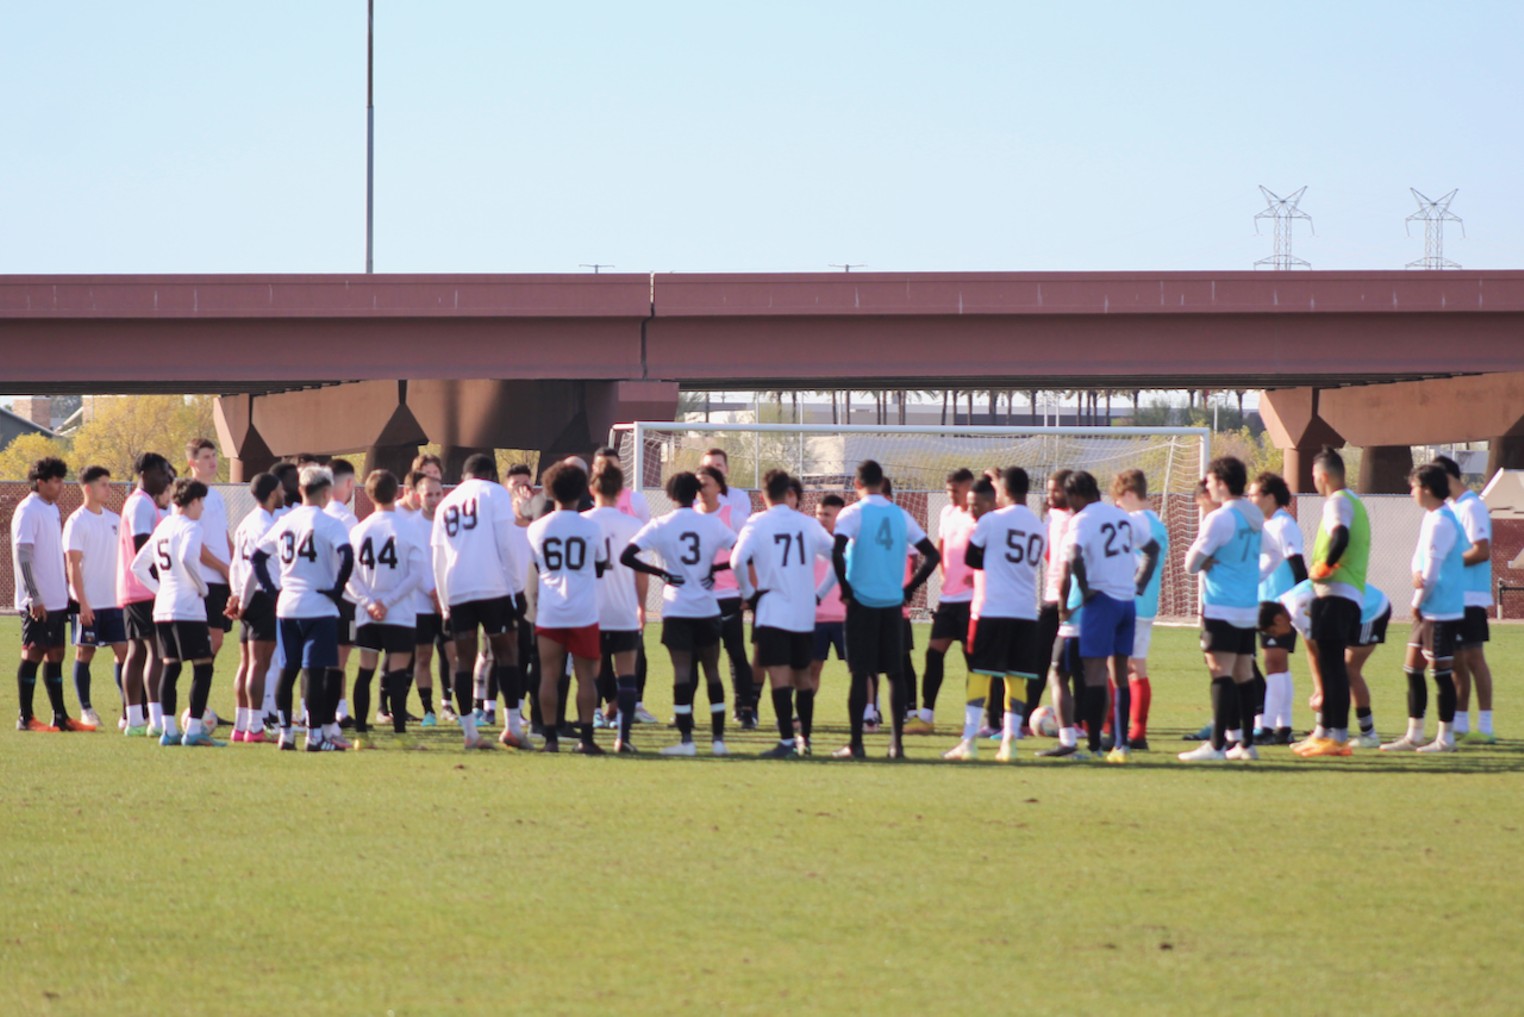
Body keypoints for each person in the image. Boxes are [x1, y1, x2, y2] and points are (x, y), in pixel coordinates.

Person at [621, 471, 737, 757]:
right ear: (696, 493)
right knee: (712, 671)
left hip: (677, 608)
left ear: (670, 495)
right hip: (707, 608)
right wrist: (715, 570)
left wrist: (662, 573)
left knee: (682, 672)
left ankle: (687, 741)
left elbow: (627, 556)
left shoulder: (660, 525)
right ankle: (719, 741)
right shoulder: (711, 524)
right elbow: (741, 552)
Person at [830, 459, 940, 760]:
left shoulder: (852, 513)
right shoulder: (900, 514)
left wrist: (845, 587)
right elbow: (932, 555)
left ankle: (857, 744)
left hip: (862, 603)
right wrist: (909, 589)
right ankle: (897, 745)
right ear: (882, 482)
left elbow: (836, 549)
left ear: (857, 485)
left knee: (859, 673)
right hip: (892, 604)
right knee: (895, 673)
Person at [247, 465, 355, 752]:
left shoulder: (285, 520)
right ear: (326, 492)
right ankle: (315, 735)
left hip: (287, 607)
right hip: (318, 607)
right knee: (315, 672)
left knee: (288, 670)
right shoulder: (329, 522)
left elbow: (257, 558)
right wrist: (336, 589)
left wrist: (273, 591)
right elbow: (347, 555)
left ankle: (285, 733)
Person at [1047, 470, 1153, 762]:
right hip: (1126, 602)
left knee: (1094, 674)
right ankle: (1122, 745)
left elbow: (1074, 558)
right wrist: (1140, 583)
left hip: (1102, 601)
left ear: (1076, 495)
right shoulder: (1121, 516)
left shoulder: (1082, 520)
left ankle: (1093, 747)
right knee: (1119, 674)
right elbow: (1151, 549)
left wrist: (1083, 589)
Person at [733, 470, 835, 759]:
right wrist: (819, 594)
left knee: (779, 679)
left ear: (764, 495)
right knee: (803, 679)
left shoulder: (757, 523)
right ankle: (806, 739)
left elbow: (737, 559)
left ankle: (787, 742)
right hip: (803, 615)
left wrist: (749, 594)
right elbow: (839, 559)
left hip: (773, 613)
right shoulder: (809, 524)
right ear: (788, 493)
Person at [946, 468, 1045, 762]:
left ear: (1004, 489)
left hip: (993, 609)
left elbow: (971, 557)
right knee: (1016, 678)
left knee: (980, 674)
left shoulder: (992, 519)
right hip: (1027, 611)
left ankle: (969, 741)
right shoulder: (1038, 526)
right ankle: (1010, 742)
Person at [431, 453, 524, 750]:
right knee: (507, 653)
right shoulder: (495, 493)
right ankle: (512, 727)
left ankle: (470, 733)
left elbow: (438, 558)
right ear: (490, 474)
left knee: (464, 661)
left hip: (458, 588)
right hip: (492, 585)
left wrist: (445, 604)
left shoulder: (446, 503)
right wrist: (516, 589)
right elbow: (506, 545)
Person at [1179, 457, 1265, 762]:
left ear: (1223, 484)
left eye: (1211, 481)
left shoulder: (1220, 518)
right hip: (1247, 606)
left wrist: (1209, 560)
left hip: (1222, 605)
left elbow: (1191, 563)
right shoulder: (1253, 513)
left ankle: (1216, 746)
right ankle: (1245, 743)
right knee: (1244, 673)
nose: (1208, 486)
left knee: (1220, 673)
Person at [1380, 464, 1467, 754]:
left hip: (1440, 608)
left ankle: (1446, 738)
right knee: (1412, 668)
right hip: (1428, 606)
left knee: (1441, 672)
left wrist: (1416, 601)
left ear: (1427, 489)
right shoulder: (1432, 517)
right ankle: (1414, 734)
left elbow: (1432, 568)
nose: (1411, 492)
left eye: (1414, 486)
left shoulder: (1442, 520)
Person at [131, 478, 221, 746]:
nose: (202, 509)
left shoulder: (164, 526)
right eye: (201, 503)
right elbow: (186, 557)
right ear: (193, 502)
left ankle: (169, 730)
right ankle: (193, 731)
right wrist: (201, 586)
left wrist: (160, 589)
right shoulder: (191, 527)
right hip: (187, 609)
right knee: (203, 667)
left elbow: (137, 566)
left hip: (163, 610)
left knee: (170, 667)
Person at [527, 462, 610, 753]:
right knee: (586, 677)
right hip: (584, 610)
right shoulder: (592, 527)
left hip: (551, 610)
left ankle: (550, 739)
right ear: (581, 490)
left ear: (549, 490)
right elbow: (601, 566)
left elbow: (537, 566)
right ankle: (586, 740)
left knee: (549, 674)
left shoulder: (536, 529)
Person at [1294, 447, 1370, 759]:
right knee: (1330, 666)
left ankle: (1336, 736)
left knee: (1332, 667)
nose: (1313, 481)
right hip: (1343, 594)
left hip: (1337, 594)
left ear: (1323, 476)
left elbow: (1339, 535)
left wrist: (1324, 566)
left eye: (1314, 476)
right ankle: (1326, 731)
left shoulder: (1337, 501)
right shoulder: (1354, 502)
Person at [345, 470, 428, 748]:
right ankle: (401, 736)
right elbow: (416, 574)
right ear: (397, 493)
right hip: (400, 612)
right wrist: (388, 602)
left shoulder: (358, 530)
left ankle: (360, 735)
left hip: (365, 613)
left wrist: (369, 602)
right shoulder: (409, 528)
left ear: (368, 495)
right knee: (397, 671)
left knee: (365, 670)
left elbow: (349, 575)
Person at [1260, 579, 1389, 744]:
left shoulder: (1297, 609)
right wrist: (1319, 689)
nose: (1276, 636)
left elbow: (1320, 651)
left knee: (1348, 670)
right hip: (1351, 611)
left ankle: (1368, 734)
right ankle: (1323, 732)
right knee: (1337, 669)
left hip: (1371, 610)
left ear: (1278, 619)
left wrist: (1322, 691)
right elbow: (1313, 652)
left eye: (1273, 631)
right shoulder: (1287, 605)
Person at [12, 457, 84, 732]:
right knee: (33, 654)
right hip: (38, 601)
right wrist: (33, 596)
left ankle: (61, 717)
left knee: (56, 654)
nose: (60, 486)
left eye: (61, 480)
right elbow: (23, 555)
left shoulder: (50, 508)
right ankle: (25, 718)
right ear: (40, 483)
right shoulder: (28, 510)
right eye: (55, 481)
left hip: (56, 599)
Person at [1433, 455, 1497, 743]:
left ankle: (1485, 726)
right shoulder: (1450, 508)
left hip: (1470, 596)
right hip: (1452, 596)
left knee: (1473, 658)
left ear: (1447, 478)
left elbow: (1481, 551)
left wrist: (1447, 565)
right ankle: (1460, 723)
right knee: (1456, 660)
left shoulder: (1471, 506)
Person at [585, 462, 648, 753]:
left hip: (591, 611)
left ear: (591, 489)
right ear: (620, 491)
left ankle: (588, 734)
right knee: (626, 675)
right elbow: (641, 573)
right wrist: (642, 607)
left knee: (591, 673)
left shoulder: (583, 522)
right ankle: (623, 738)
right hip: (623, 610)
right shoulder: (634, 525)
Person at [909, 468, 976, 735]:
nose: (951, 496)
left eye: (955, 491)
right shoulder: (947, 513)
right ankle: (927, 716)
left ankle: (979, 718)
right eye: (948, 491)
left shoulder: (980, 515)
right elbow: (940, 544)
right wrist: (944, 574)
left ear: (969, 487)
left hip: (972, 600)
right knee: (934, 652)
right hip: (949, 598)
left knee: (974, 660)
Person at [62, 465, 124, 731]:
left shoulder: (115, 520)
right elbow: (72, 566)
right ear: (88, 488)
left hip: (115, 602)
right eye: (103, 484)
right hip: (88, 603)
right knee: (84, 653)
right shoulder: (76, 522)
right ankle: (86, 709)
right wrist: (83, 603)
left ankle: (129, 709)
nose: (108, 489)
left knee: (125, 653)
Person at [1248, 471, 1307, 746]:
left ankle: (1269, 728)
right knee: (1275, 664)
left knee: (1274, 663)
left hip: (1281, 605)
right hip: (1264, 603)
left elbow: (1298, 566)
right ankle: (1282, 727)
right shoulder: (1264, 524)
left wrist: (1297, 604)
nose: (1250, 499)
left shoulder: (1284, 525)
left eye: (1254, 494)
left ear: (1269, 497)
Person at [224, 473, 284, 743]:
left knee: (247, 663)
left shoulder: (246, 523)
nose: (284, 493)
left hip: (248, 596)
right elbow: (254, 570)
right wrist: (245, 601)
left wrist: (236, 595)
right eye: (281, 489)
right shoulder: (267, 525)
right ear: (272, 493)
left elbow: (236, 563)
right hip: (262, 596)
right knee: (260, 663)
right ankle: (256, 727)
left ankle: (241, 725)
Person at [697, 464, 757, 729]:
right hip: (699, 598)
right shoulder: (691, 517)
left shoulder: (734, 517)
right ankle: (686, 710)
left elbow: (750, 556)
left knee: (737, 654)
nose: (701, 489)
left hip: (730, 595)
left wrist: (749, 592)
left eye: (706, 483)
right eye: (698, 484)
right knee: (699, 656)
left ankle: (745, 708)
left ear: (719, 487)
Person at [117, 452, 173, 736]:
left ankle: (135, 718)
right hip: (144, 587)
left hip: (131, 587)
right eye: (162, 473)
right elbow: (142, 547)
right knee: (156, 651)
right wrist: (160, 584)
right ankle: (155, 718)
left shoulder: (141, 502)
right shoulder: (141, 504)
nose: (166, 479)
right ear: (146, 473)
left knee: (138, 651)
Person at [1112, 469, 1167, 750]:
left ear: (1130, 495)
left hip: (1128, 601)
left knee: (1117, 667)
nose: (1117, 507)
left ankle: (1112, 728)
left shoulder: (1132, 522)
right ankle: (1137, 732)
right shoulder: (1158, 522)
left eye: (1119, 500)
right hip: (1148, 604)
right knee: (1137, 667)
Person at [398, 470, 444, 727]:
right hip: (421, 602)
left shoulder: (449, 521)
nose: (434, 499)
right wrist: (432, 592)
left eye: (438, 494)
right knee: (422, 655)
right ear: (418, 496)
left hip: (448, 600)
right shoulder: (411, 525)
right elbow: (413, 566)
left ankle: (462, 709)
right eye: (429, 494)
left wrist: (444, 593)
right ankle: (427, 710)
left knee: (454, 653)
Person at [806, 494, 848, 753]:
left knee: (858, 669)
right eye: (819, 514)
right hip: (816, 616)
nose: (822, 519)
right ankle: (804, 712)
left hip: (845, 617)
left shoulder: (849, 542)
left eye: (827, 515)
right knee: (812, 669)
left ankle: (870, 712)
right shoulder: (810, 541)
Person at [185, 439, 234, 662]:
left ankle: (201, 681)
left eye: (214, 455)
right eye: (206, 457)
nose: (212, 461)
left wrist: (235, 566)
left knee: (217, 639)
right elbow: (194, 543)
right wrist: (222, 567)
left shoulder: (216, 496)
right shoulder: (189, 497)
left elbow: (223, 536)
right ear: (192, 462)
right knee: (212, 639)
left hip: (222, 577)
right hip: (204, 578)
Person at [323, 458, 360, 728]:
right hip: (344, 596)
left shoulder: (315, 514)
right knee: (339, 659)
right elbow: (353, 562)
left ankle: (333, 709)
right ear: (348, 484)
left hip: (316, 595)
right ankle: (338, 711)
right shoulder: (347, 519)